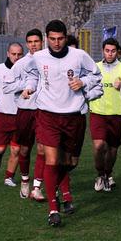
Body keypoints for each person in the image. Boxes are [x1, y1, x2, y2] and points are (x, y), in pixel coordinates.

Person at [21, 20, 102, 227]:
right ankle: (53, 209)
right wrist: (29, 87)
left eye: (60, 38)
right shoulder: (38, 57)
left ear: (66, 37)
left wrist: (83, 82)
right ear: (47, 38)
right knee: (51, 159)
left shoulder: (79, 56)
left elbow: (96, 75)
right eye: (52, 39)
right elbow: (31, 74)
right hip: (47, 114)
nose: (56, 43)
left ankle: (60, 187)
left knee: (70, 162)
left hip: (73, 116)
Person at [4, 29, 46, 201]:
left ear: (42, 42)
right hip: (25, 111)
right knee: (25, 149)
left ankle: (37, 186)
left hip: (45, 111)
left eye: (36, 41)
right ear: (27, 44)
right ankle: (25, 179)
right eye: (30, 42)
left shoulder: (49, 60)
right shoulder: (21, 64)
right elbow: (6, 86)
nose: (34, 44)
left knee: (44, 149)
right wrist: (24, 86)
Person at [89, 38, 121, 192]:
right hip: (98, 113)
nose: (110, 54)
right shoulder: (95, 68)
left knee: (112, 149)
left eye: (113, 51)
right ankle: (100, 174)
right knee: (99, 145)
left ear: (117, 52)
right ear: (103, 51)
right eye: (107, 50)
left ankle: (108, 174)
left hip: (116, 114)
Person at [0, 42, 23, 187]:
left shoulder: (26, 71)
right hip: (2, 116)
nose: (16, 57)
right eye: (13, 54)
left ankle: (9, 177)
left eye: (19, 54)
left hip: (20, 116)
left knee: (16, 149)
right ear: (8, 54)